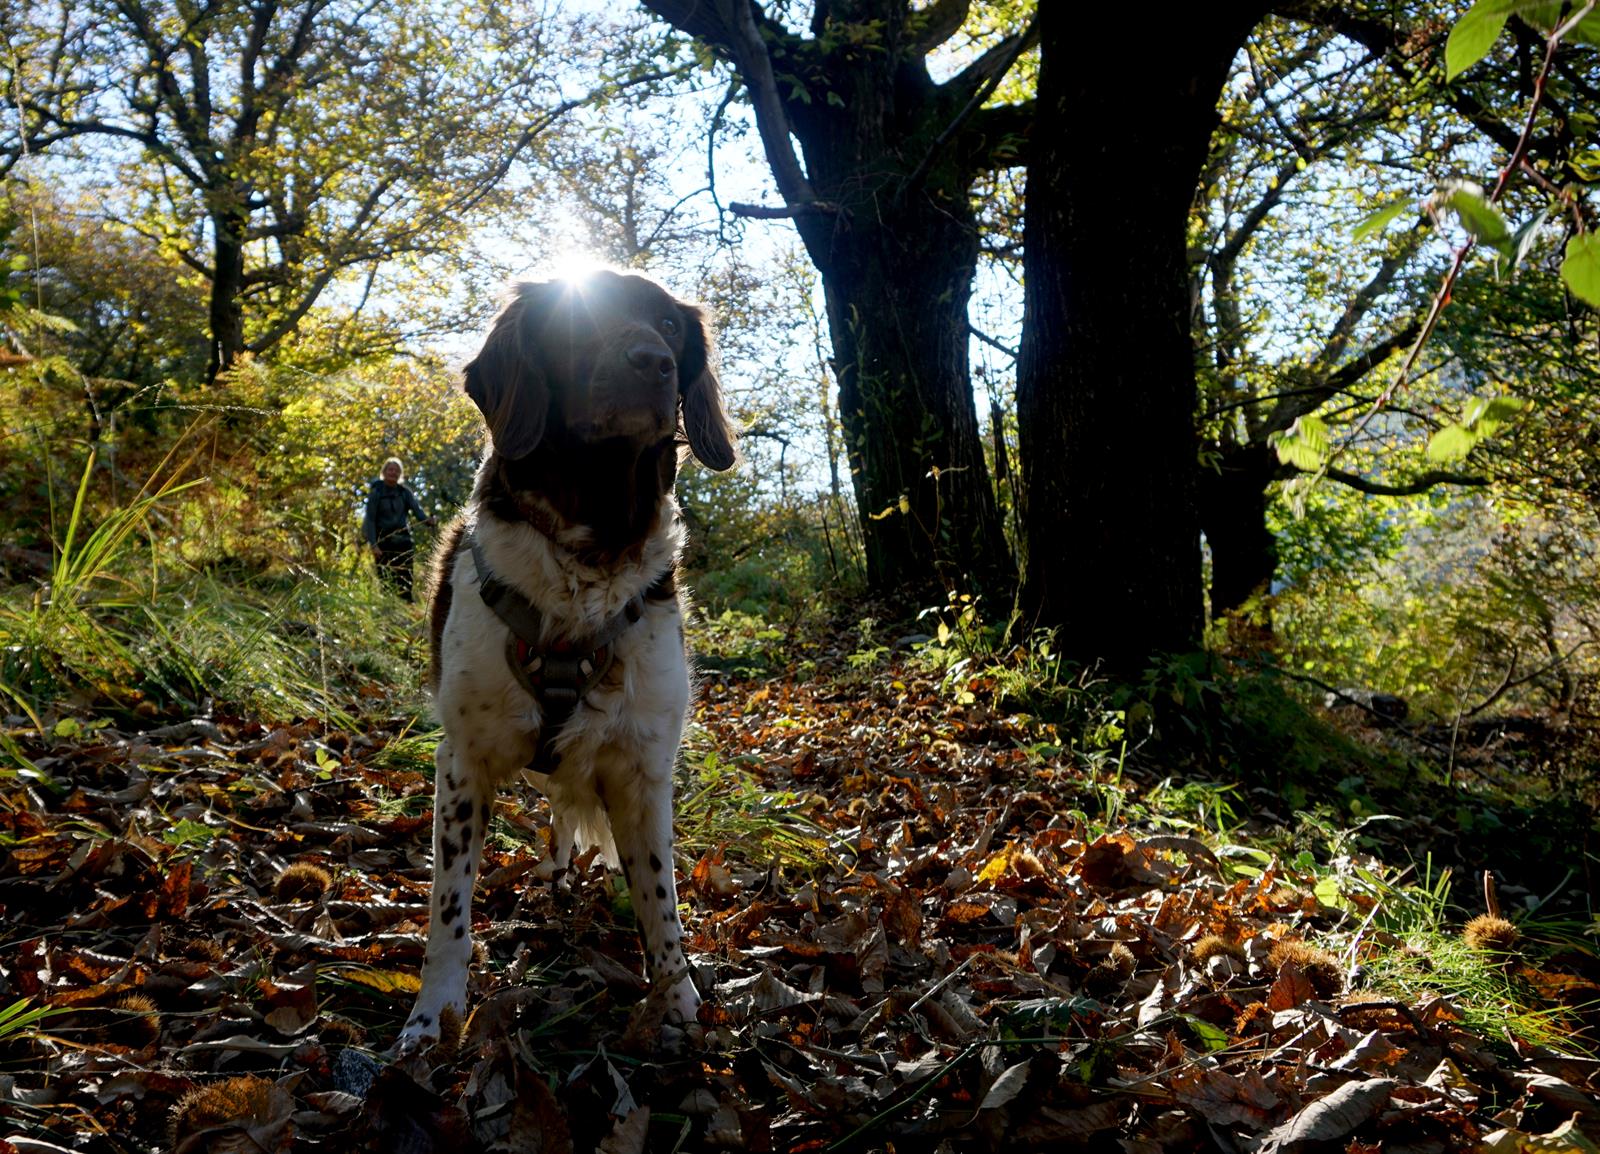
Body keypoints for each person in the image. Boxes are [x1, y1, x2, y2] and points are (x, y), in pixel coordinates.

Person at [363, 457, 436, 601]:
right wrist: (373, 544)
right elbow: (370, 520)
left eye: (397, 470)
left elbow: (418, 512)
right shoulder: (376, 492)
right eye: (390, 469)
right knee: (386, 580)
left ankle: (407, 611)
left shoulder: (404, 492)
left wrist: (429, 521)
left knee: (406, 578)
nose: (393, 473)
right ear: (384, 472)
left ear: (400, 474)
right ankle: (388, 613)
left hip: (403, 542)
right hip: (383, 543)